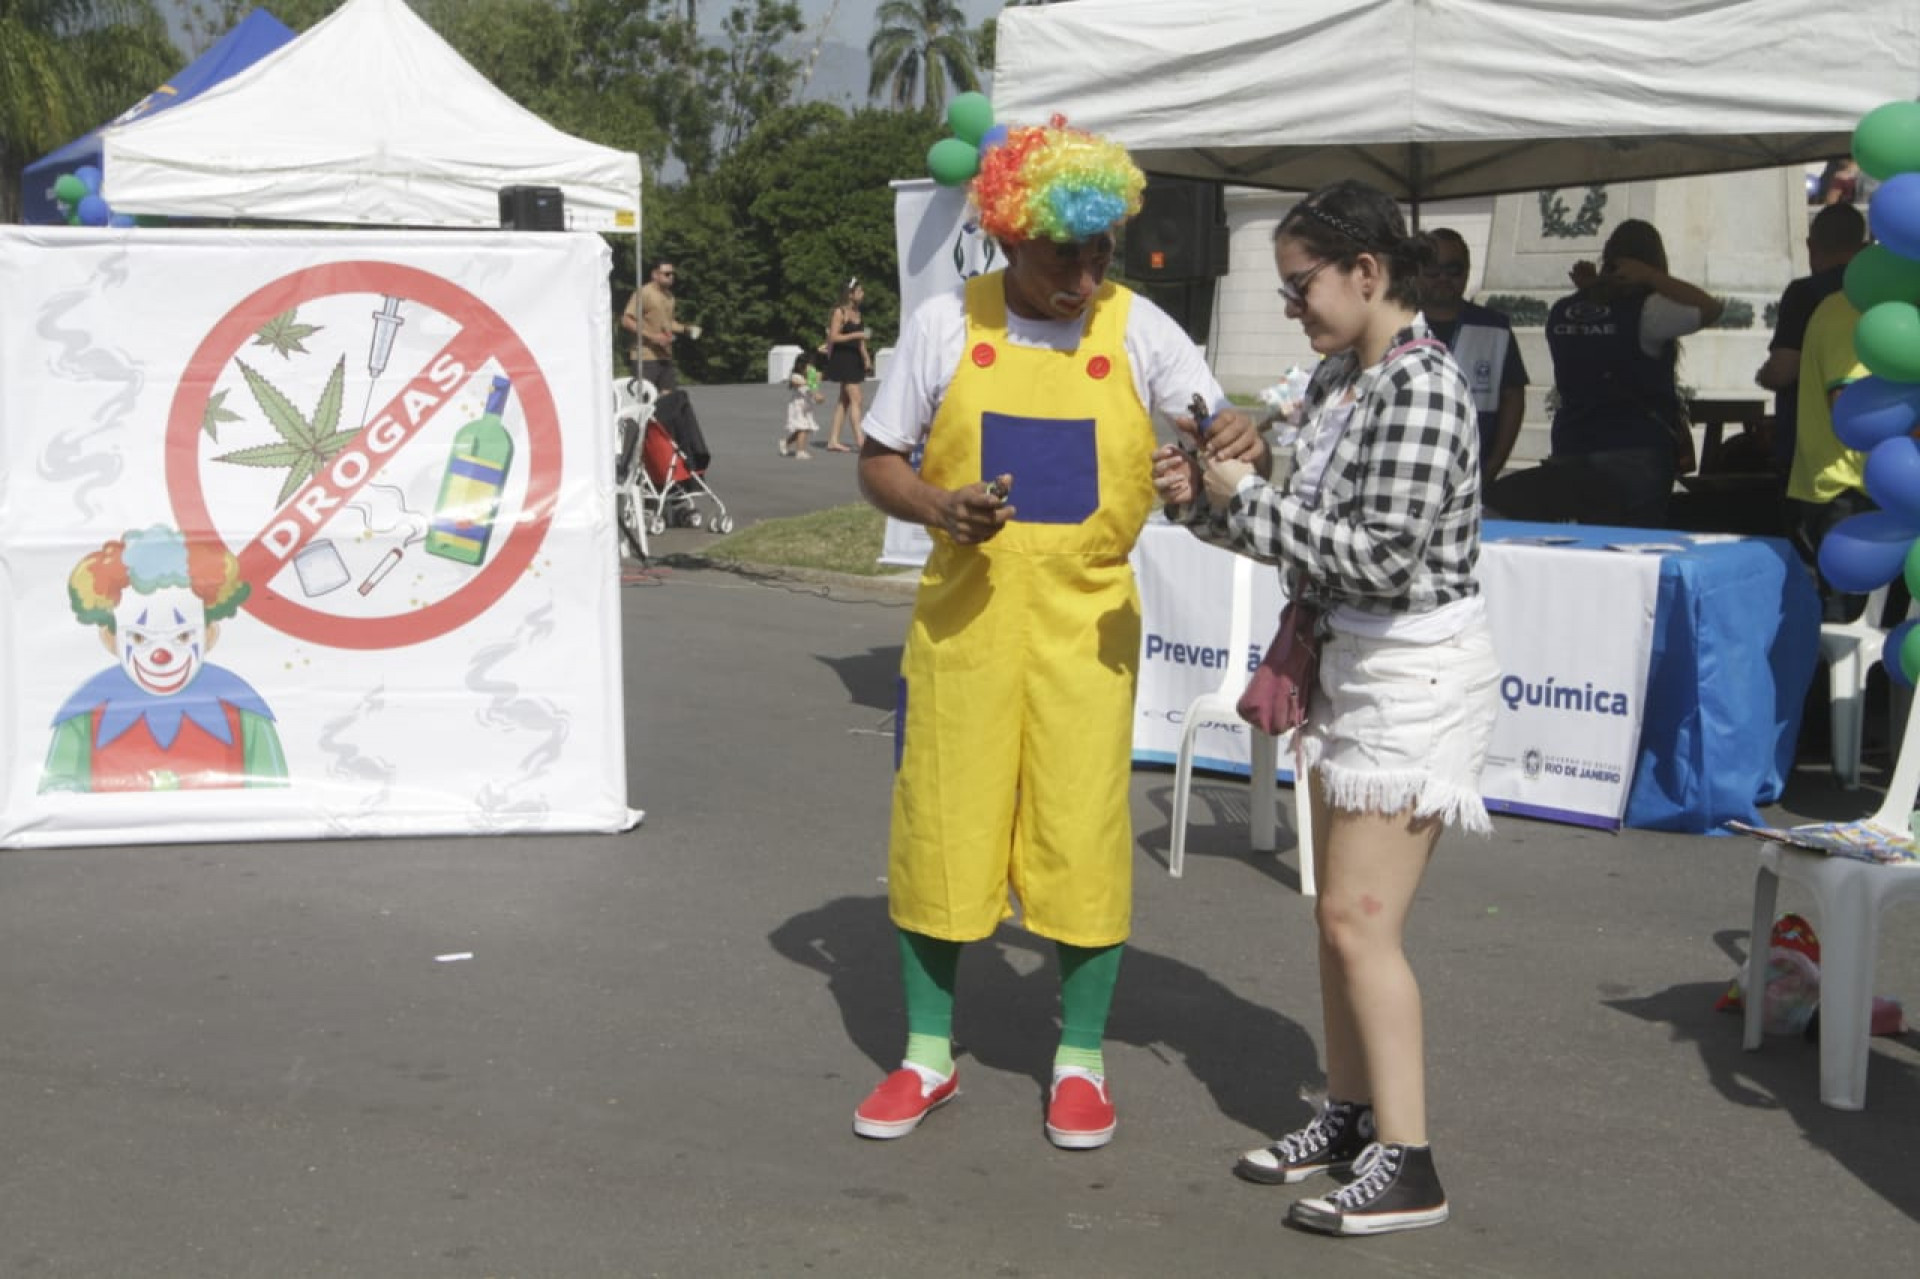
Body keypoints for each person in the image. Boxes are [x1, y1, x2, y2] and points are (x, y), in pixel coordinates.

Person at [851, 116, 1246, 1153]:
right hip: (966, 626)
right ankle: (926, 1056)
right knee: (943, 827)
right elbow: (880, 458)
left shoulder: (1139, 328)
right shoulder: (945, 326)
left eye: (1101, 247)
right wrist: (939, 507)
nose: (1085, 270)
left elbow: (1211, 418)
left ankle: (1080, 1062)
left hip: (1089, 629)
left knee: (1081, 836)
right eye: (1062, 250)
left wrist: (1227, 430)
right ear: (1009, 235)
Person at [1152, 179, 1498, 1237]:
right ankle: (1352, 1117)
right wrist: (1201, 506)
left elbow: (1384, 557)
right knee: (1338, 917)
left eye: (1302, 285)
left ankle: (1411, 1160)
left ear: (1367, 271)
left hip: (1414, 672)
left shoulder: (1420, 387)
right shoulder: (1351, 380)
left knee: (1360, 919)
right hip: (1359, 665)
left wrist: (1241, 499)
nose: (1295, 305)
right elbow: (1301, 529)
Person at [1493, 219, 1723, 527]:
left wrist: (1594, 289)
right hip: (1635, 451)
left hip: (1572, 446)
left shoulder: (1563, 310)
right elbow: (1710, 308)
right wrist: (1653, 277)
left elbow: (1595, 338)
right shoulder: (1649, 310)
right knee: (1636, 549)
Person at [1755, 204, 1869, 476]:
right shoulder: (1886, 292)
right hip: (1877, 452)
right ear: (1864, 245)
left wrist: (1763, 376)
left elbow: (1783, 370)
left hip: (1815, 461)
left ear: (1810, 245)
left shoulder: (1805, 294)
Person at [1786, 289, 1874, 620]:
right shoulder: (1851, 311)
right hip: (1848, 491)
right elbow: (1850, 408)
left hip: (1864, 491)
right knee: (1844, 626)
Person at [1418, 227, 1528, 488]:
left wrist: (1492, 467)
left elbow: (1513, 397)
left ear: (1467, 271)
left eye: (1453, 270)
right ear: (1417, 272)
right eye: (1433, 270)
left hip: (1470, 474)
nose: (1443, 278)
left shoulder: (1495, 327)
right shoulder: (1395, 323)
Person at [622, 261, 711, 477]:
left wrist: (686, 329)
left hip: (665, 357)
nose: (671, 278)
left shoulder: (670, 297)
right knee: (645, 405)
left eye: (673, 274)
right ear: (655, 274)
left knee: (668, 405)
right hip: (645, 355)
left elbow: (668, 323)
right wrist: (652, 337)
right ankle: (632, 456)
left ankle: (664, 454)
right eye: (666, 274)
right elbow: (626, 320)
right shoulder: (644, 293)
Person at [821, 279, 873, 452]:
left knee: (845, 400)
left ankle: (833, 440)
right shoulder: (839, 312)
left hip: (855, 357)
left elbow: (860, 341)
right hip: (843, 358)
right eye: (859, 291)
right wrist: (856, 334)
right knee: (856, 398)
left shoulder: (858, 312)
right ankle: (860, 440)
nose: (862, 294)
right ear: (850, 294)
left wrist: (866, 357)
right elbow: (833, 337)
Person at [780, 347, 825, 459]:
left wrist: (818, 396)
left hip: (807, 406)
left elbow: (813, 390)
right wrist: (809, 381)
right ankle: (800, 451)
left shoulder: (811, 378)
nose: (811, 368)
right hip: (797, 406)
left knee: (804, 428)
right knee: (802, 428)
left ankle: (786, 442)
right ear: (801, 365)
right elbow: (797, 382)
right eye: (809, 366)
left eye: (812, 366)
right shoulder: (796, 376)